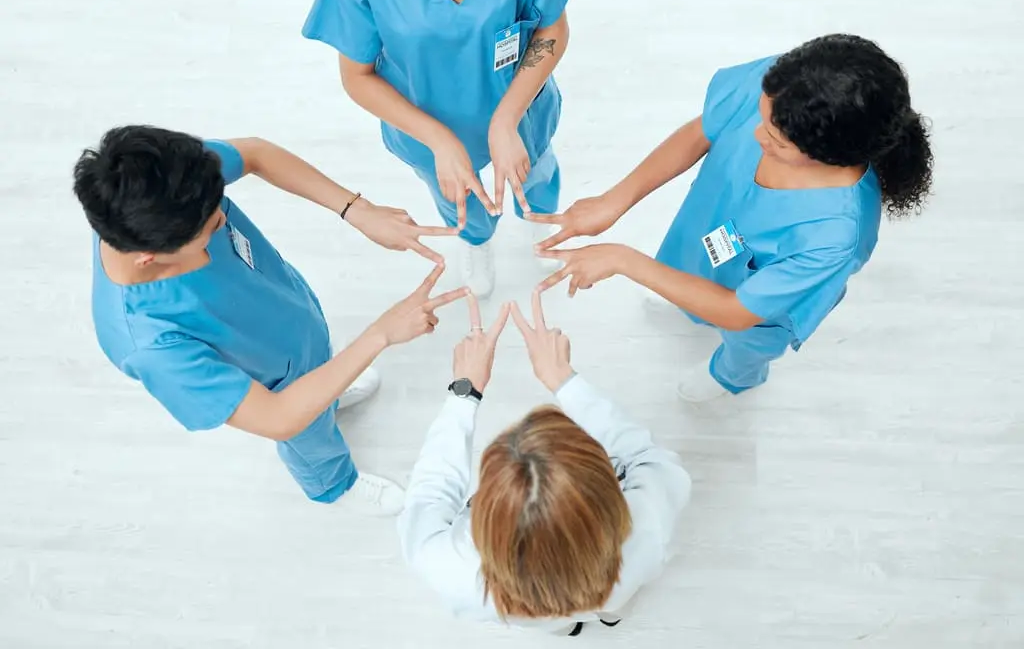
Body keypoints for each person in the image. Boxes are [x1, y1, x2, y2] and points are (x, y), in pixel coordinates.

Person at [73, 126, 468, 515]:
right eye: (209, 227)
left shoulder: (166, 187)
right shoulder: (153, 345)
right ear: (150, 256)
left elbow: (255, 153)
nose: (224, 222)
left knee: (322, 372)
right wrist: (381, 334)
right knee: (310, 434)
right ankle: (334, 485)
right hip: (282, 391)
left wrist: (357, 210)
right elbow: (277, 417)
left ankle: (329, 388)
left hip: (290, 318)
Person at [530, 34, 935, 401]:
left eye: (775, 140)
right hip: (708, 228)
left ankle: (730, 378)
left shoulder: (834, 235)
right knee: (685, 266)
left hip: (754, 313)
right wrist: (614, 201)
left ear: (825, 154)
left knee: (745, 348)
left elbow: (737, 312)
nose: (758, 135)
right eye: (762, 118)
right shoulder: (787, 89)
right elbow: (702, 131)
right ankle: (682, 292)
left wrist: (624, 260)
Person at [302, 0, 591, 299]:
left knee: (537, 176)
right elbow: (358, 76)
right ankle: (476, 242)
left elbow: (550, 31)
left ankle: (541, 226)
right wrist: (438, 140)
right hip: (424, 123)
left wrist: (506, 121)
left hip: (521, 109)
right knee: (457, 198)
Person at [397, 291, 691, 635]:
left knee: (556, 624)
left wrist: (466, 390)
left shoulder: (449, 570)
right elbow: (644, 455)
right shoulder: (649, 522)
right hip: (615, 588)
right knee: (614, 603)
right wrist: (563, 379)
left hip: (523, 612)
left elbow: (429, 494)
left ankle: (566, 628)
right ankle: (608, 613)